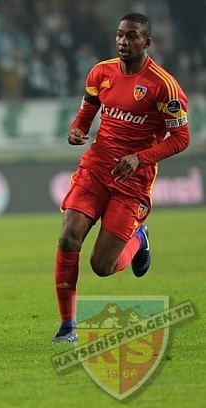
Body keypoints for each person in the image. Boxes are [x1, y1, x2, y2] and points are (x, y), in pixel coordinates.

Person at [52, 13, 190, 342]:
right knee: (69, 237)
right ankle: (68, 326)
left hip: (133, 180)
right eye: (119, 35)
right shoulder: (101, 72)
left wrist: (140, 158)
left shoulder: (164, 86)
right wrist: (78, 129)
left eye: (131, 36)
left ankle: (139, 238)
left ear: (147, 42)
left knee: (102, 265)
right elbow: (88, 109)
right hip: (96, 167)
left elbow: (181, 139)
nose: (123, 42)